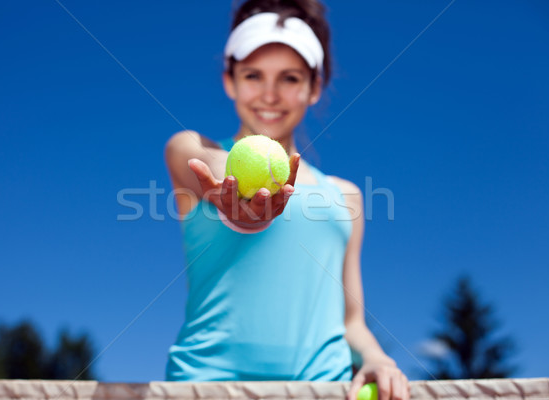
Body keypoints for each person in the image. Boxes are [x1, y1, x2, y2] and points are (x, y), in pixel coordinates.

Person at [164, 1, 410, 399]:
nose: (270, 94)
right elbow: (220, 177)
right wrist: (246, 212)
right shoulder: (189, 150)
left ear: (314, 87)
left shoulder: (346, 197)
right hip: (203, 388)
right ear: (229, 80)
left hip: (323, 390)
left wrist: (377, 358)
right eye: (253, 75)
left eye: (290, 78)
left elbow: (352, 321)